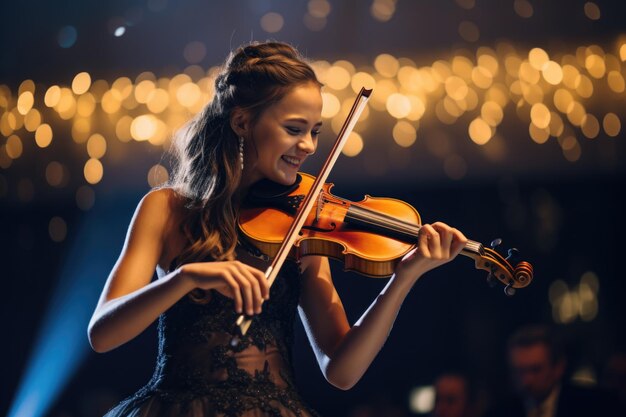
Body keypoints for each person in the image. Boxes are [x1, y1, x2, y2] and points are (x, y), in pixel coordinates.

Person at [87, 40, 468, 417]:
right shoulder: (168, 208)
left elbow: (342, 371)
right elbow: (103, 335)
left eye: (315, 131)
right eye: (293, 128)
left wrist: (403, 277)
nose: (307, 146)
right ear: (242, 122)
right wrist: (185, 278)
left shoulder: (303, 226)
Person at [485, 324, 623, 417]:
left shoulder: (596, 406)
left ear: (559, 367)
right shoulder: (499, 413)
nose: (527, 380)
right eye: (519, 371)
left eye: (535, 370)